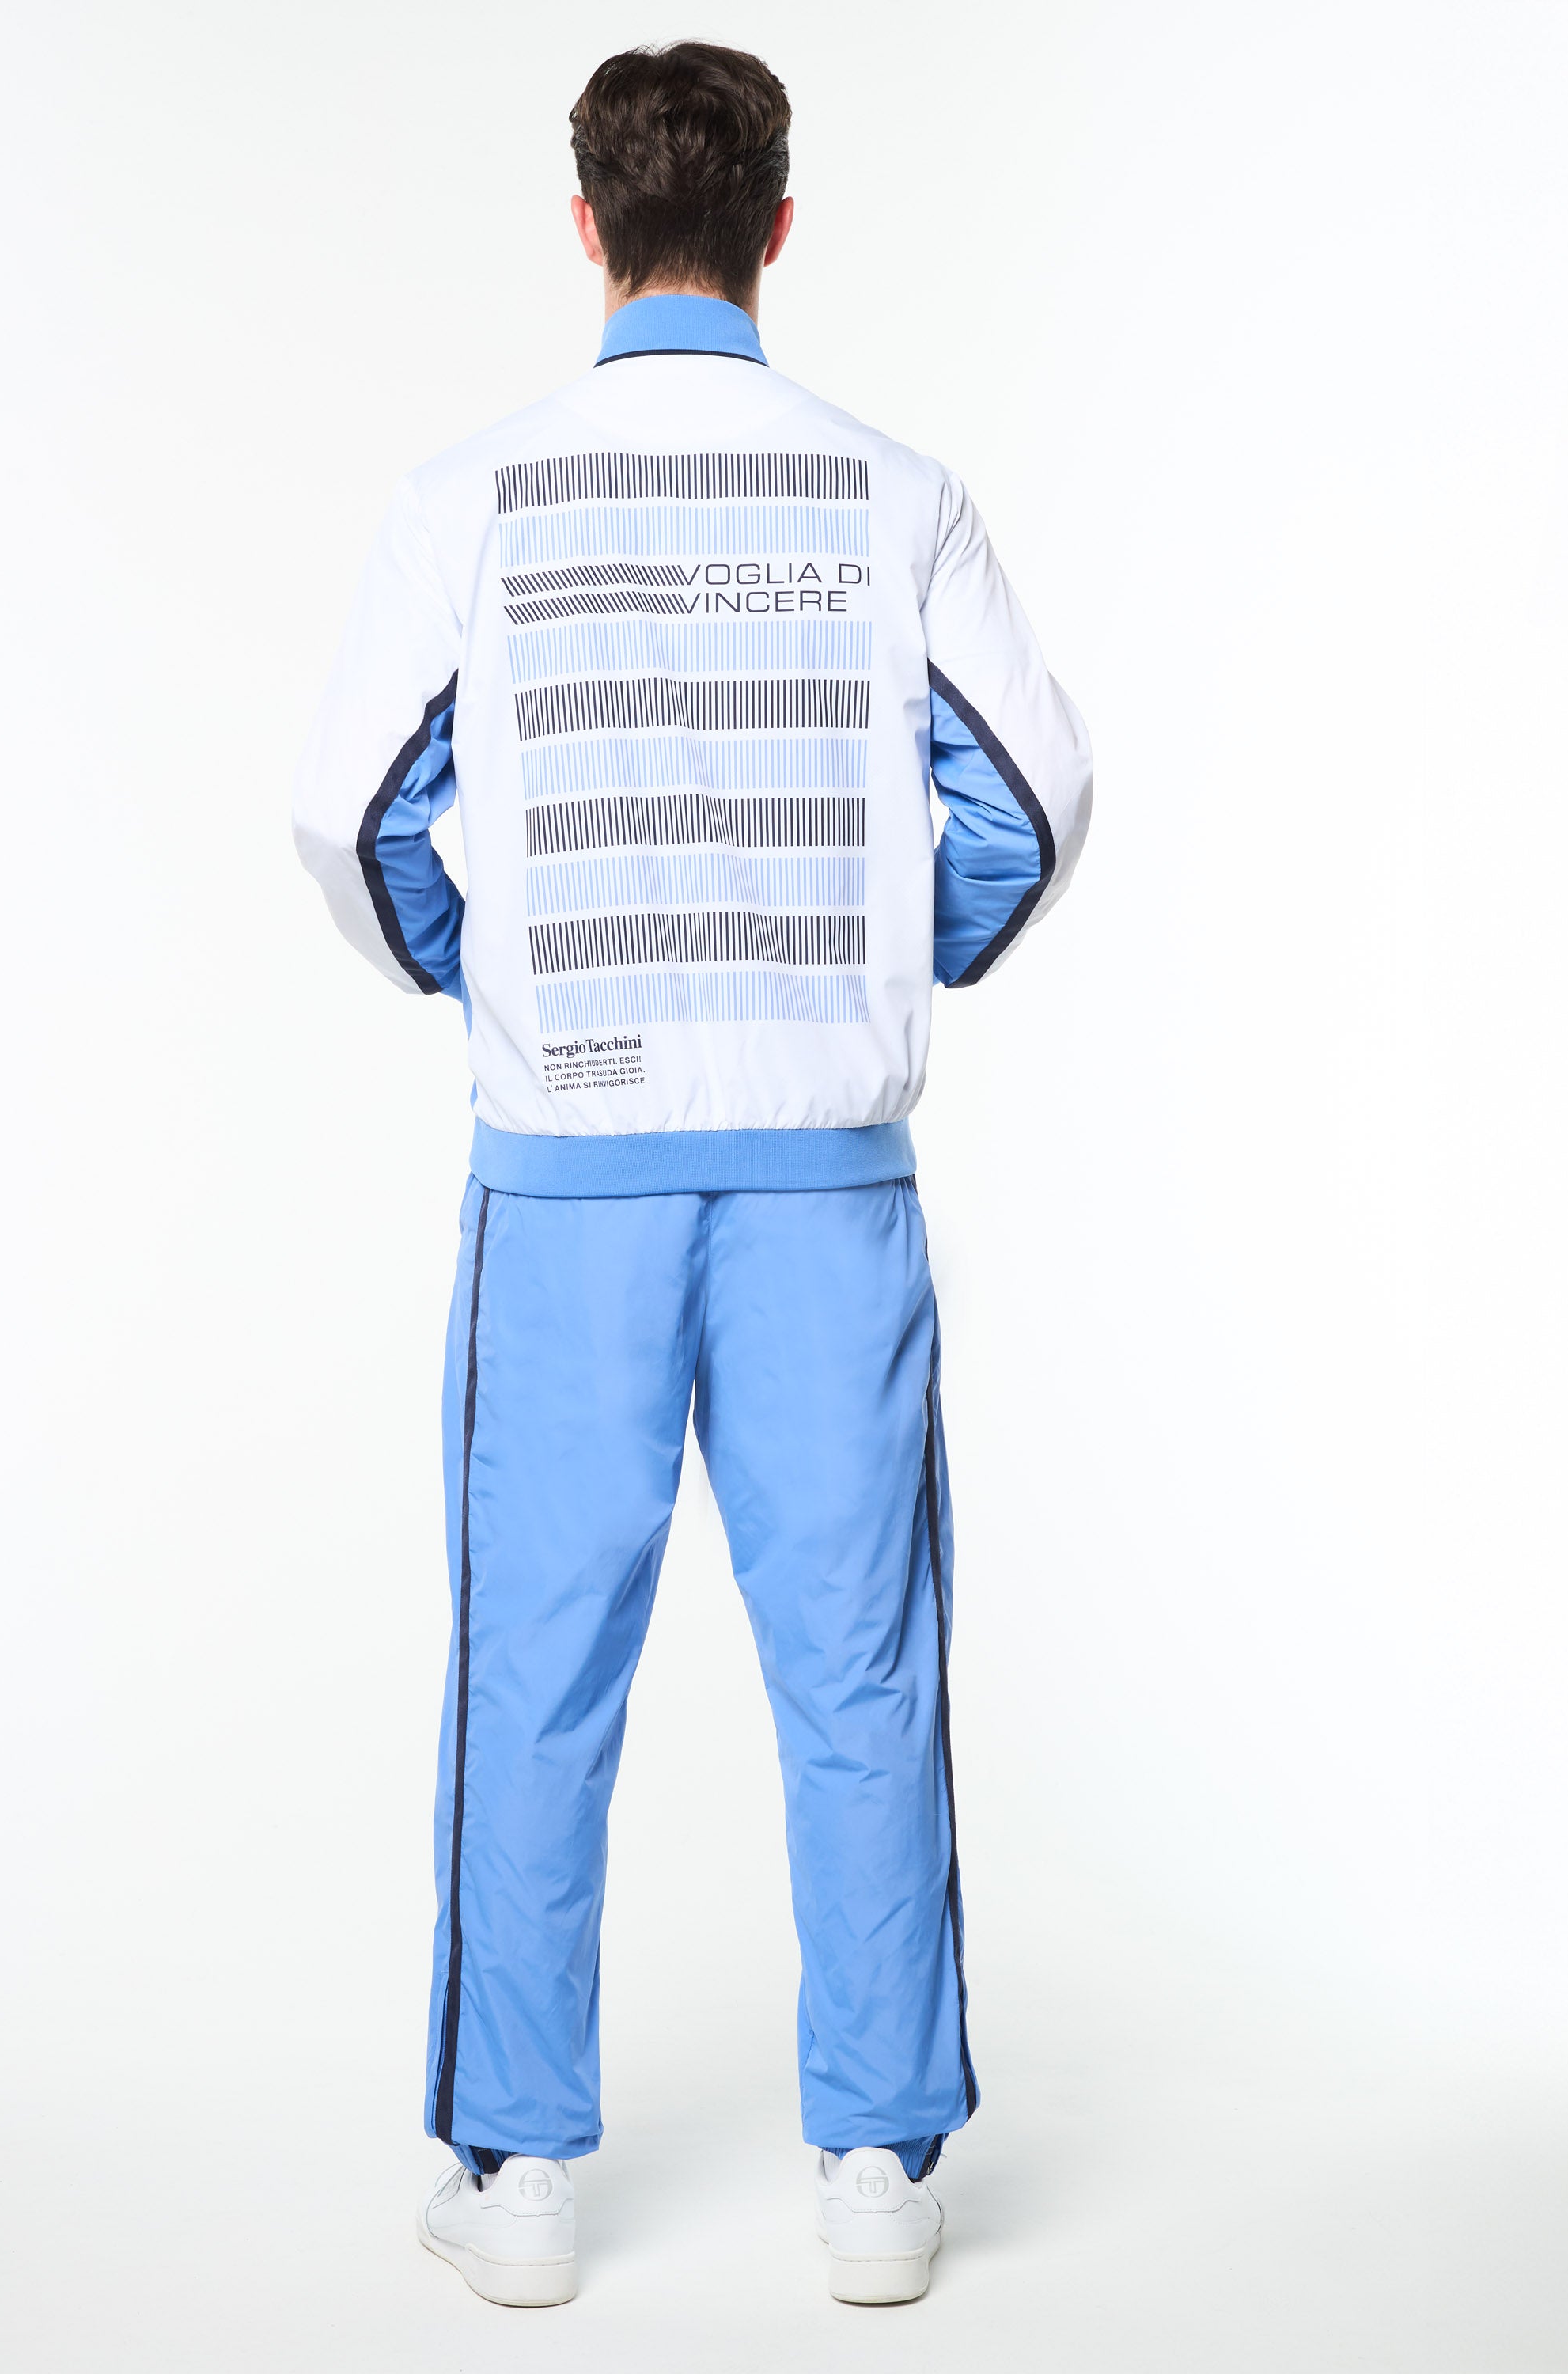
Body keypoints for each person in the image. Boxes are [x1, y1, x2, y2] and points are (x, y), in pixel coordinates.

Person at [292, 39, 1091, 2309]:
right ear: (778, 227)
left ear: (584, 228)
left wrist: (488, 976)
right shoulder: (894, 495)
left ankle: (519, 2186)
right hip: (827, 1172)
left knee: (535, 1673)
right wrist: (870, 961)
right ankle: (879, 2176)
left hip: (569, 1178)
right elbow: (1032, 800)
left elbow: (349, 815)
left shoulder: (472, 498)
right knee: (861, 1668)